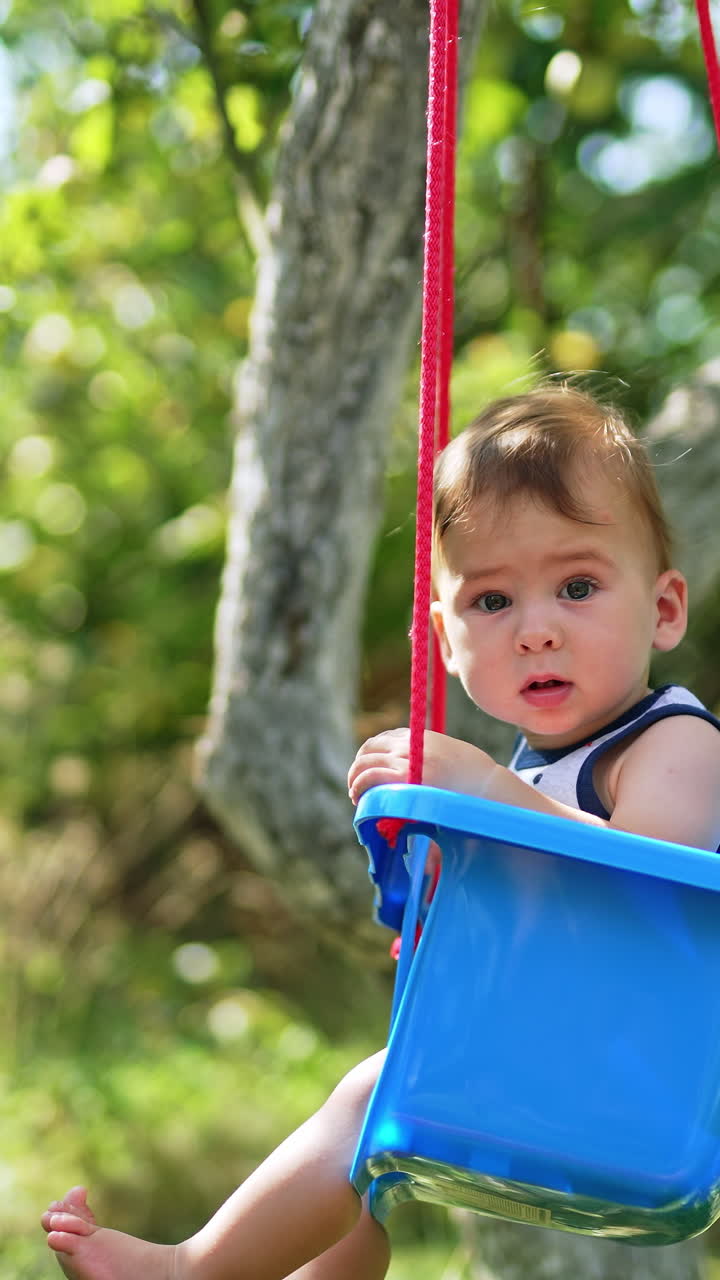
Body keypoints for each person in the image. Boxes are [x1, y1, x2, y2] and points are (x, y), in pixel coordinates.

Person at [42, 384, 720, 1280]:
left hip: (642, 1089)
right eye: (491, 602)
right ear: (442, 638)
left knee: (373, 1094)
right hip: (561, 1064)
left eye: (579, 586)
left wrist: (484, 798)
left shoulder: (675, 739)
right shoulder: (539, 772)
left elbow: (653, 882)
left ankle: (191, 1271)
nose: (537, 631)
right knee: (358, 1188)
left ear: (665, 609)